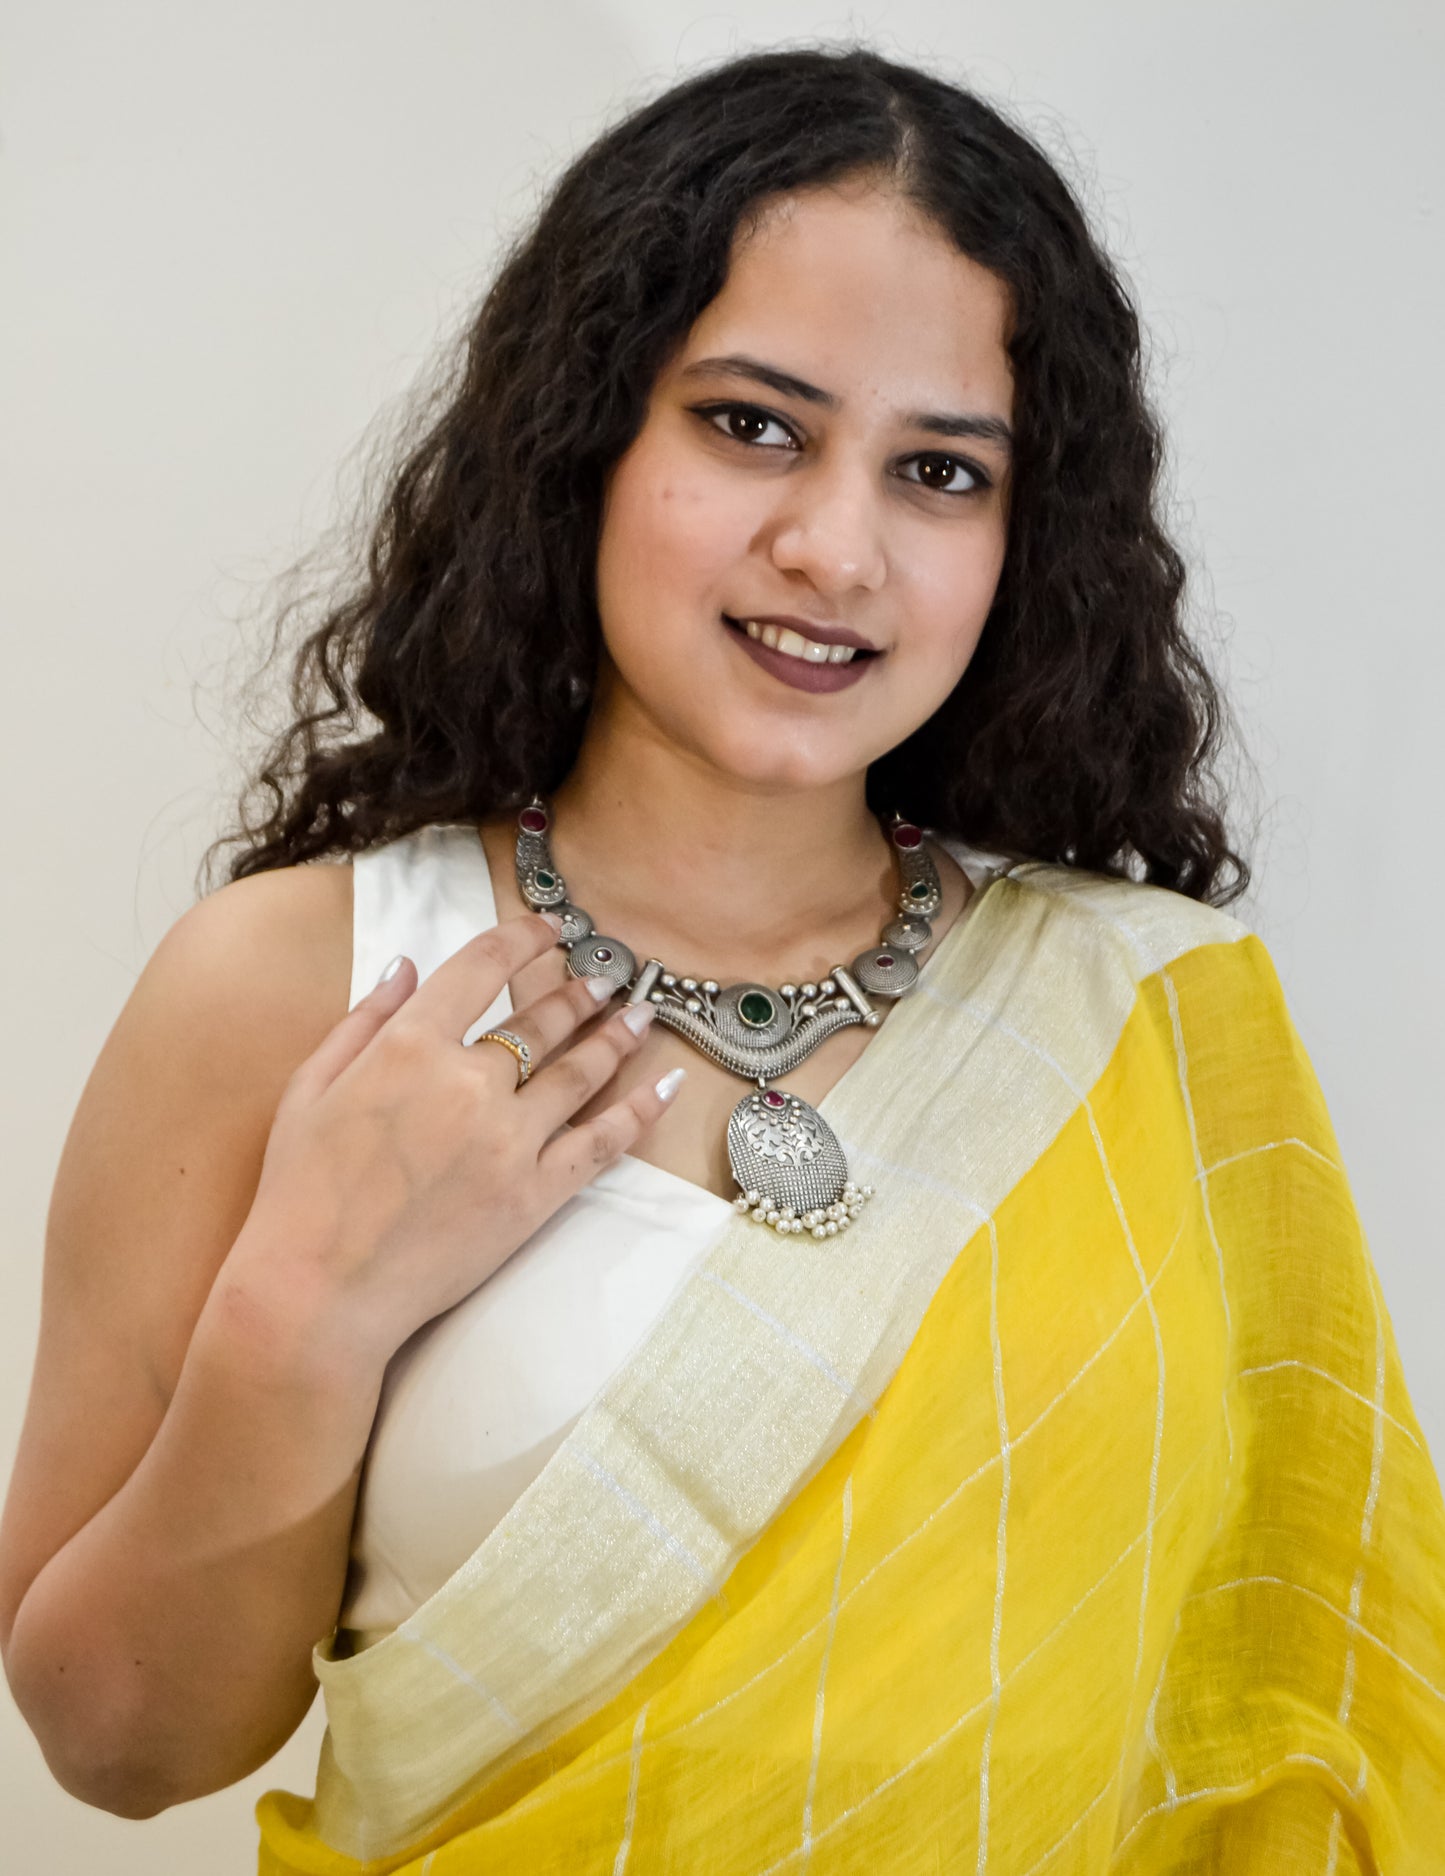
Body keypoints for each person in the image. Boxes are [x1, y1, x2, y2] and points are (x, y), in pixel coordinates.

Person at [3, 41, 1443, 1874]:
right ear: (585, 434)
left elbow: (1305, 1700)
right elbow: (118, 1747)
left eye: (937, 471)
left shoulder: (1145, 1017)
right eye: (750, 424)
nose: (832, 544)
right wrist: (306, 1314)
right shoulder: (303, 983)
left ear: (1022, 541)